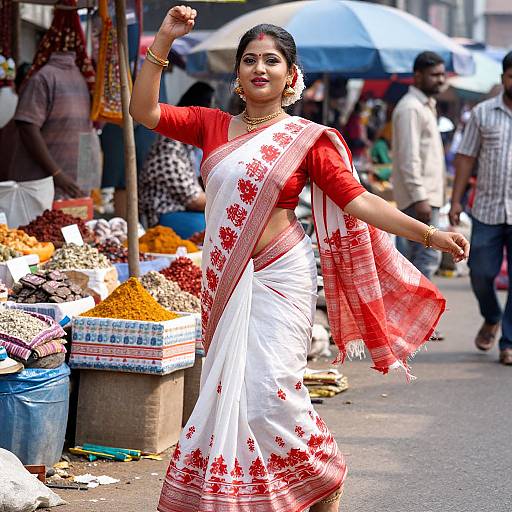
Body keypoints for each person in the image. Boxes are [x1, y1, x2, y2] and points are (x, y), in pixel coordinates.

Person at [130, 6, 469, 511]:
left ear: (291, 76)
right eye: (249, 60)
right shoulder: (212, 127)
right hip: (226, 274)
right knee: (231, 395)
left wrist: (429, 234)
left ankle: (323, 476)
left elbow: (358, 201)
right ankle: (240, 497)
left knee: (271, 395)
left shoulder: (306, 140)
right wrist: (163, 40)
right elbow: (145, 112)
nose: (259, 68)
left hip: (282, 275)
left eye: (271, 60)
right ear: (239, 75)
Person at [449, 51, 512, 366]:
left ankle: (509, 341)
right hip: (486, 209)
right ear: (503, 78)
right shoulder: (483, 113)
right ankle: (491, 315)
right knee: (480, 272)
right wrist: (456, 200)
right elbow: (466, 157)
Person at [10, 0, 98, 200]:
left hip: (70, 188)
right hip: (43, 187)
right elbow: (27, 127)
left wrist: (83, 185)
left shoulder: (81, 78)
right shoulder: (45, 77)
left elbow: (86, 131)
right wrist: (58, 175)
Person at [391, 51, 447, 281]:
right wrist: (420, 197)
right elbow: (408, 157)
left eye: (442, 74)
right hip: (420, 199)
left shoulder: (424, 106)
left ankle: (409, 314)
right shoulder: (411, 108)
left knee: (420, 259)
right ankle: (410, 313)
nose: (441, 80)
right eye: (434, 75)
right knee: (424, 259)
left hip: (428, 196)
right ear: (417, 76)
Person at [138, 82, 211, 230]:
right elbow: (193, 200)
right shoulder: (169, 146)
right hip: (163, 216)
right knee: (212, 226)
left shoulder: (186, 145)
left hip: (181, 211)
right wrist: (225, 201)